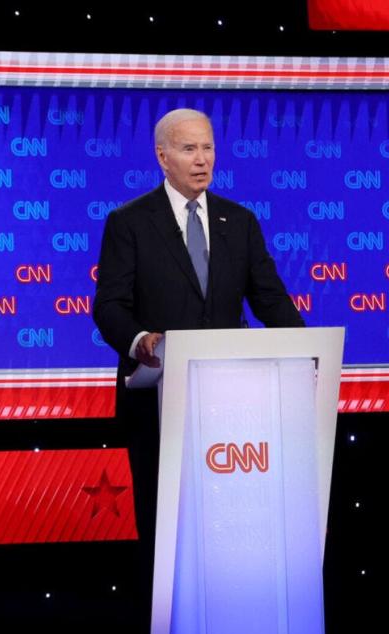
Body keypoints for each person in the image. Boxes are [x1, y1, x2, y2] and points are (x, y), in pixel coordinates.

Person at [93, 108, 304, 566]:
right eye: (189, 149)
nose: (202, 159)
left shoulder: (240, 221)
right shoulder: (128, 222)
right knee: (164, 530)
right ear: (162, 156)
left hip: (231, 405)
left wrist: (306, 350)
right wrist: (139, 339)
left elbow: (269, 298)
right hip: (157, 404)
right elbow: (108, 306)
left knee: (227, 527)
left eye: (207, 147)